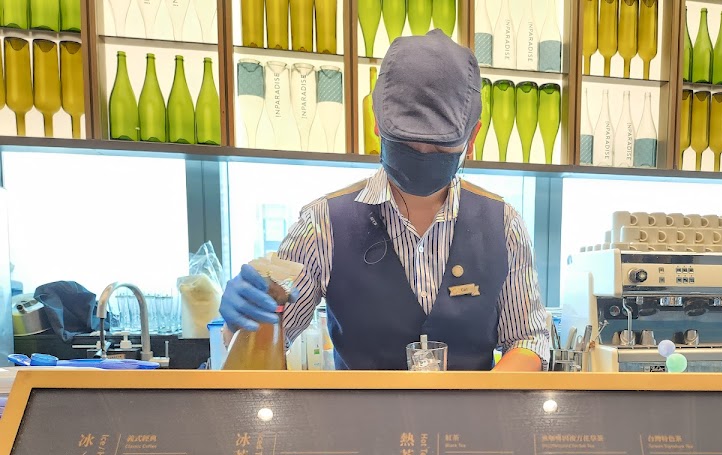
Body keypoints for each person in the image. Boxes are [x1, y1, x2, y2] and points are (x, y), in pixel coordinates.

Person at [220, 29, 550, 372]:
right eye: (405, 142)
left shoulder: (503, 225)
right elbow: (263, 340)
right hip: (358, 410)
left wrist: (478, 401)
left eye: (440, 145)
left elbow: (528, 340)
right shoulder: (322, 225)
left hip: (474, 409)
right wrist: (240, 322)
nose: (422, 154)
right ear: (377, 123)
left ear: (472, 137)